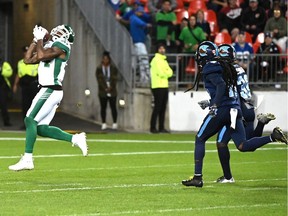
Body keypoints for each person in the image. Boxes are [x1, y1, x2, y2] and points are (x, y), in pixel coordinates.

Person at [181, 41, 287, 188]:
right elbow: (227, 89)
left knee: (200, 138)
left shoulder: (211, 67)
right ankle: (272, 137)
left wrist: (214, 104)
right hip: (236, 108)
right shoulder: (227, 67)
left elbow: (221, 86)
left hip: (224, 109)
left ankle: (198, 177)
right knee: (242, 144)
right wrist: (211, 101)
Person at [9, 24, 88, 171]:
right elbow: (28, 60)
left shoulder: (63, 46)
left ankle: (27, 159)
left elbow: (40, 56)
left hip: (51, 89)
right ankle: (75, 139)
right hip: (49, 90)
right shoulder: (51, 45)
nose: (56, 30)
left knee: (30, 119)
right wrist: (34, 41)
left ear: (65, 36)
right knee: (40, 128)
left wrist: (39, 40)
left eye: (61, 30)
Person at [199, 44, 276, 183]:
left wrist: (212, 103)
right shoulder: (238, 68)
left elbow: (226, 92)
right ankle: (262, 125)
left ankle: (228, 177)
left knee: (229, 143)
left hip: (236, 106)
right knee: (246, 141)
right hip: (248, 105)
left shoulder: (226, 69)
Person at [150, 44, 173, 133]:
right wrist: (166, 73)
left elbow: (170, 72)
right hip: (157, 86)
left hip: (164, 85)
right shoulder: (156, 60)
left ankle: (161, 127)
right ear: (157, 49)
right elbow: (162, 73)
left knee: (163, 107)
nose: (162, 49)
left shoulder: (163, 60)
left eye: (163, 48)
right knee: (157, 107)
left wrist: (166, 73)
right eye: (160, 48)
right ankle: (152, 127)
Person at [13, 46, 39, 125]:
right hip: (25, 86)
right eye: (25, 52)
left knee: (34, 104)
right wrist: (15, 84)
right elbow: (18, 74)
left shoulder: (36, 61)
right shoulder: (20, 62)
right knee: (25, 105)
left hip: (34, 84)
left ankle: (36, 122)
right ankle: (26, 123)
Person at [129, 6, 152, 84]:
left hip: (136, 43)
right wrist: (148, 25)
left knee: (138, 62)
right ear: (137, 12)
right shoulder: (135, 19)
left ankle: (142, 79)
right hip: (139, 43)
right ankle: (147, 79)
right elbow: (145, 24)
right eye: (140, 12)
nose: (142, 14)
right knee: (144, 60)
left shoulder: (133, 18)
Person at [96, 51, 118, 130]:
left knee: (113, 107)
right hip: (102, 91)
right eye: (104, 59)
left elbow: (115, 78)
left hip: (112, 90)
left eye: (107, 59)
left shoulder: (113, 68)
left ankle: (115, 122)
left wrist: (111, 87)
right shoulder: (99, 68)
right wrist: (105, 87)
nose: (105, 61)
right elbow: (99, 79)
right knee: (103, 107)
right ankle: (104, 122)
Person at [0, 58, 13, 126]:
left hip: (2, 88)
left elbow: (9, 73)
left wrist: (1, 70)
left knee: (3, 105)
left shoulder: (4, 64)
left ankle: (6, 121)